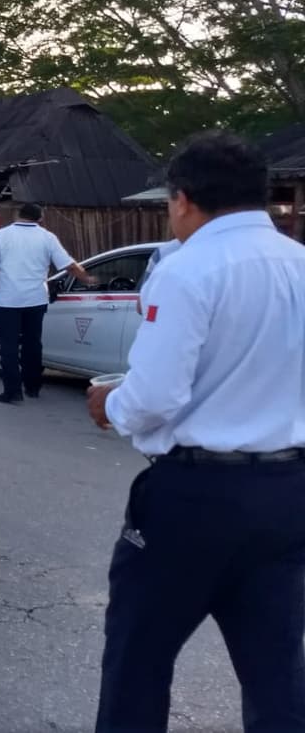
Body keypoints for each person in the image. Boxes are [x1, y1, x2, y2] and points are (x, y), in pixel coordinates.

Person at [86, 131, 305, 733]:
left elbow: (155, 394)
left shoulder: (189, 270)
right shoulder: (300, 265)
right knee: (276, 666)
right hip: (289, 492)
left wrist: (112, 404)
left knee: (139, 656)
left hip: (196, 496)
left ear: (181, 199)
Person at [0, 203, 93, 404]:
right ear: (40, 218)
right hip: (36, 300)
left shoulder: (2, 235)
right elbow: (69, 265)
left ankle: (12, 391)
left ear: (19, 215)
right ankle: (33, 386)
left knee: (9, 345)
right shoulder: (47, 237)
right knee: (33, 343)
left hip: (9, 300)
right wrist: (88, 279)